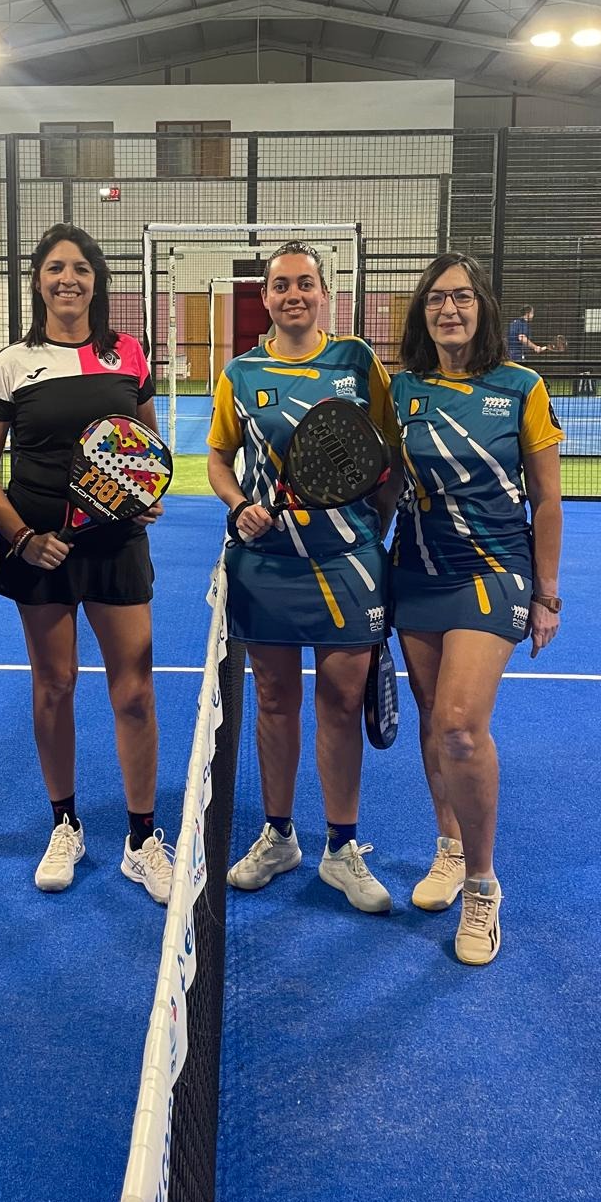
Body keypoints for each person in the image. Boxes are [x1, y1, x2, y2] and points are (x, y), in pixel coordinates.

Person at [0, 224, 172, 903]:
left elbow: (145, 443)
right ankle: (65, 825)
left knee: (135, 691)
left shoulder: (128, 353)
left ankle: (142, 839)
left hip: (116, 544)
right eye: (56, 267)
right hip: (39, 545)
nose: (68, 279)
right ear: (37, 280)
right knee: (54, 684)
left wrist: (145, 495)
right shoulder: (11, 363)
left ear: (96, 280)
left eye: (81, 268)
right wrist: (22, 537)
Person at [206, 242, 401, 914]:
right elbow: (218, 458)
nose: (294, 294)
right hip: (267, 565)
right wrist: (239, 505)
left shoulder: (357, 362)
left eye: (305, 283)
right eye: (281, 285)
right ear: (265, 297)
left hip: (348, 564)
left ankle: (341, 847)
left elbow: (387, 454)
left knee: (342, 701)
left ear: (325, 293)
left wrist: (372, 527)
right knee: (275, 700)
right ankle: (279, 835)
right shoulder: (240, 373)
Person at [391, 254, 563, 966]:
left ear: (482, 307)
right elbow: (380, 486)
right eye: (436, 299)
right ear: (422, 312)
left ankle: (483, 886)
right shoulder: (399, 389)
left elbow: (546, 500)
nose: (449, 309)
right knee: (433, 718)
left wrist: (547, 594)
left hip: (495, 572)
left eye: (461, 297)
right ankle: (450, 846)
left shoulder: (521, 387)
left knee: (461, 727)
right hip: (416, 573)